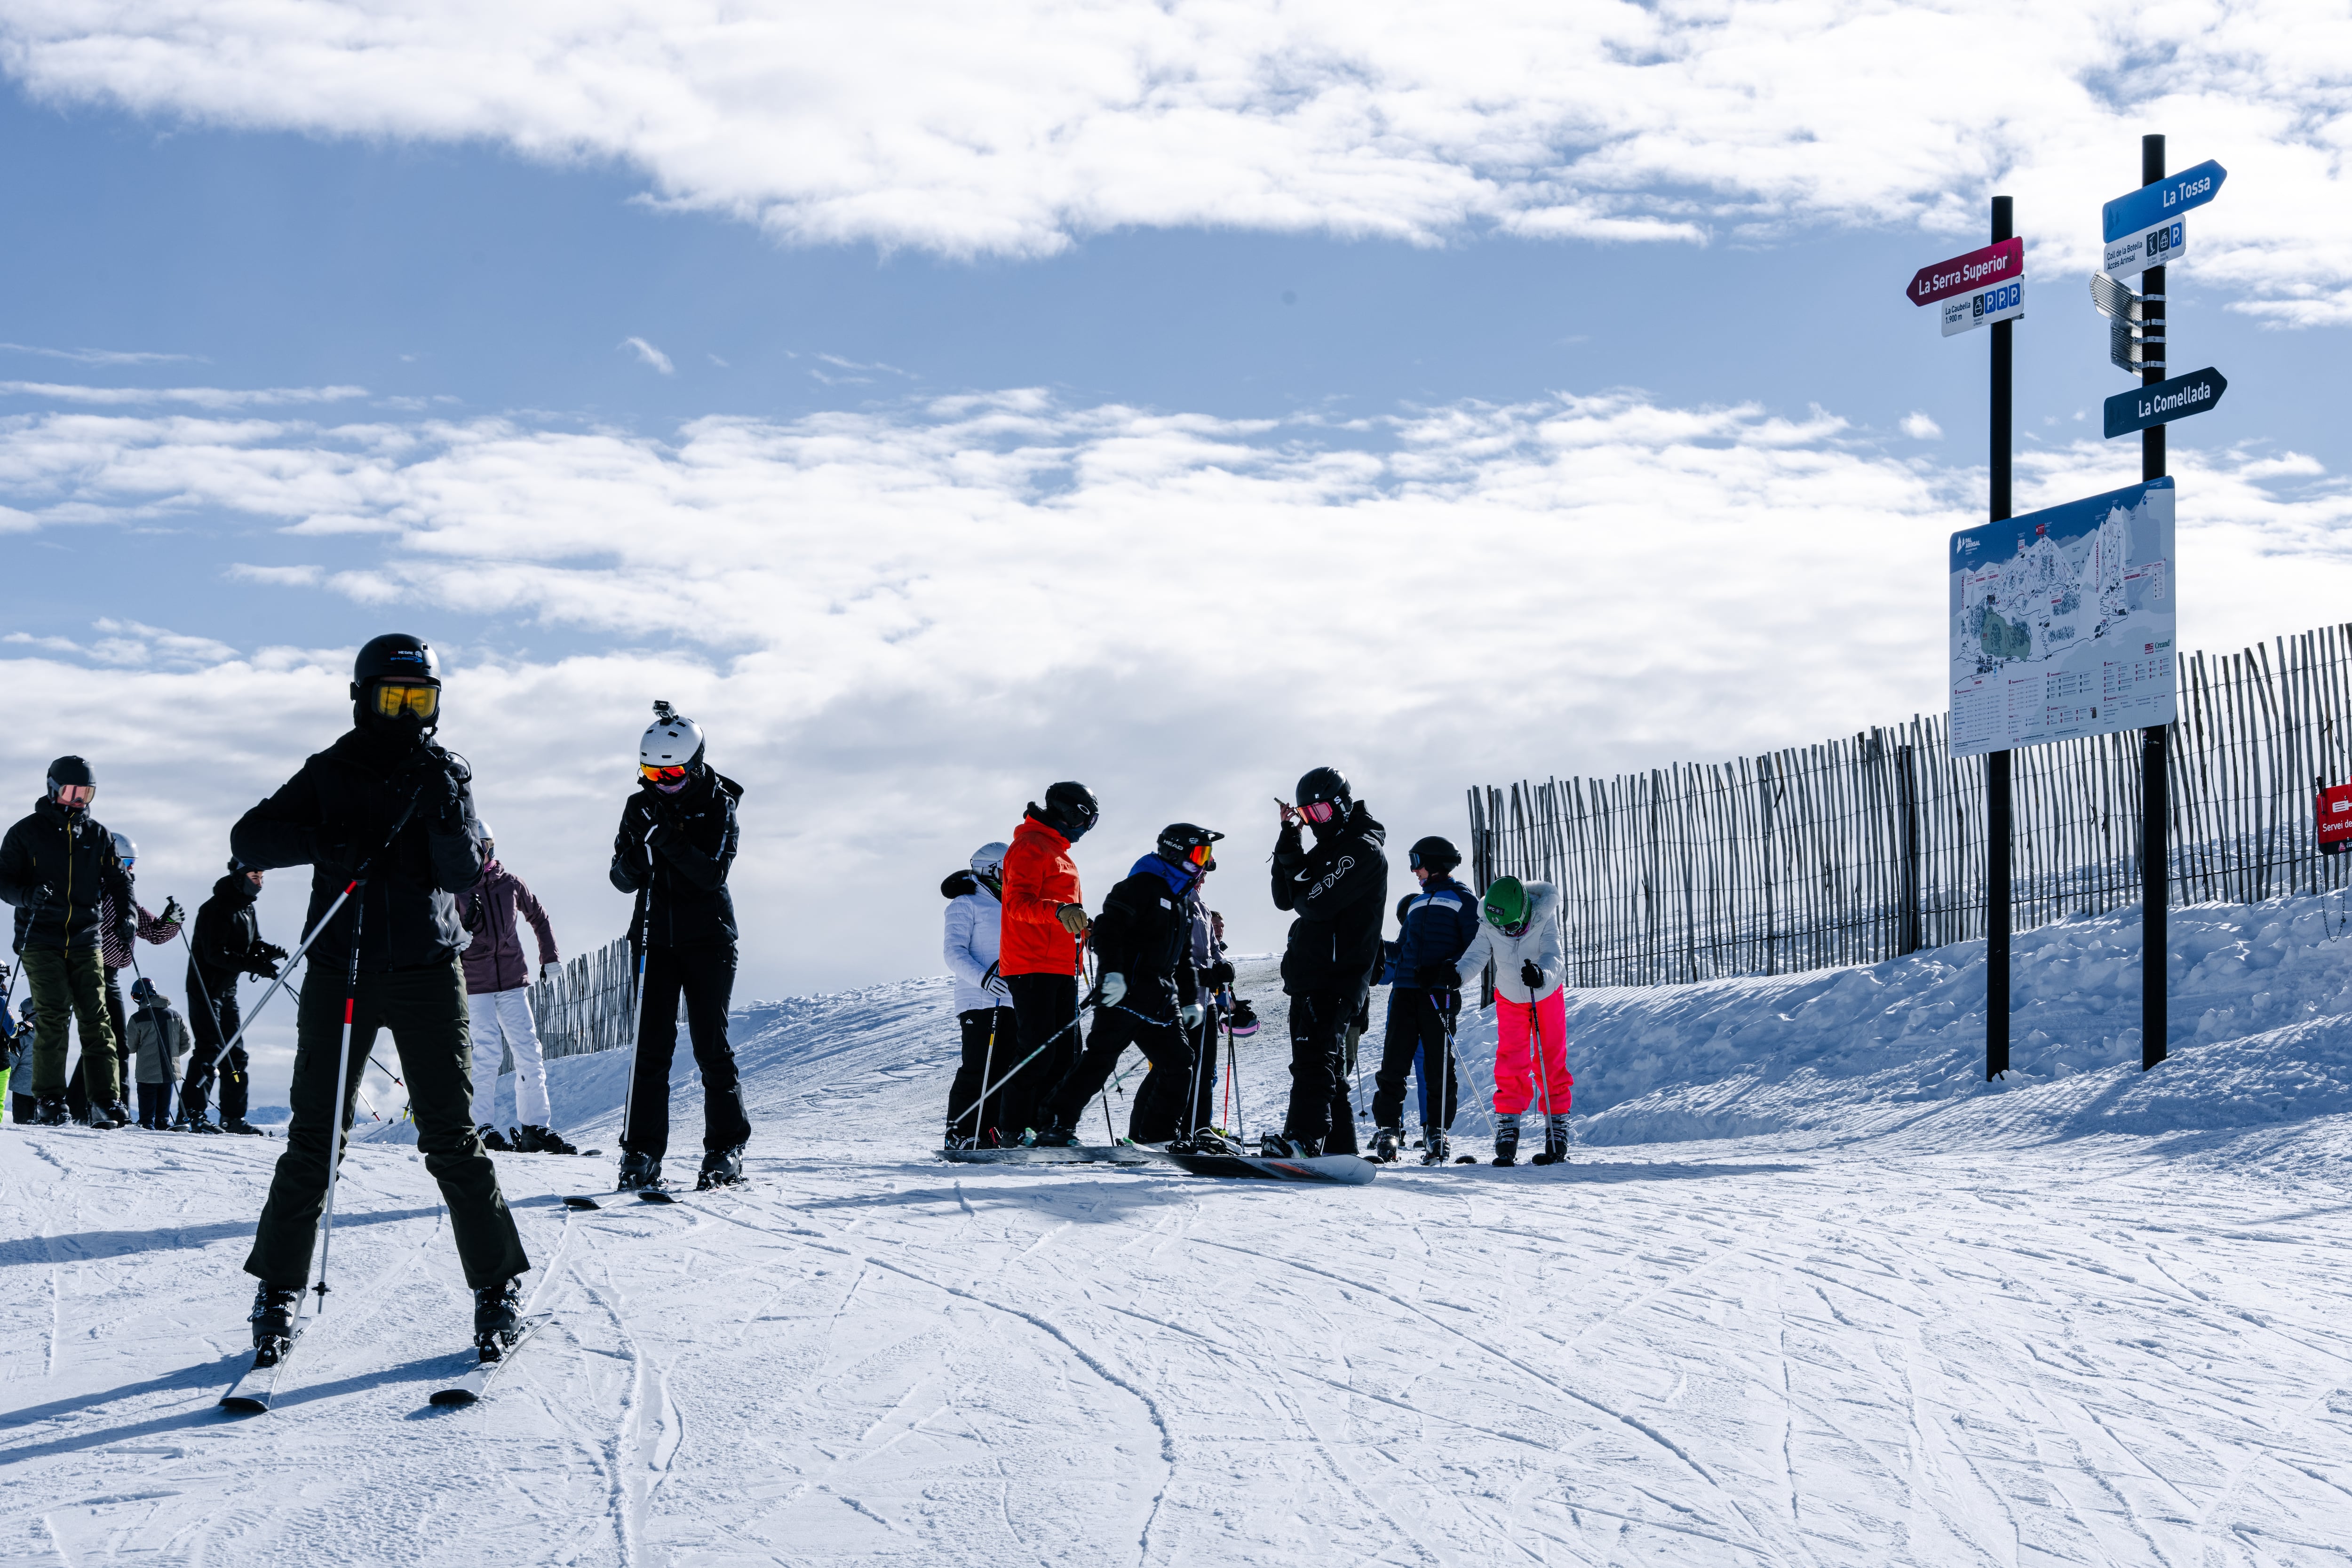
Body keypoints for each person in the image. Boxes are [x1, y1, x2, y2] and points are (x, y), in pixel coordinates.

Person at [230, 632, 530, 1362]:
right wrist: (326, 842)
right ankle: (278, 1289)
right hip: (343, 968)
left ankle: (496, 1288)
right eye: (392, 698)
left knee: (452, 1136)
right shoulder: (330, 770)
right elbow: (250, 838)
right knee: (314, 1135)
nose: (405, 714)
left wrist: (446, 812)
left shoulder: (445, 774)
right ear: (363, 697)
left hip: (428, 969)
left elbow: (461, 875)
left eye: (419, 700)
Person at [608, 700, 749, 1193]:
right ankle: (641, 1151)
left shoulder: (718, 804)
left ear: (694, 764)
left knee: (711, 1046)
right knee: (650, 1051)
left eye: (670, 773)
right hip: (652, 940)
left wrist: (662, 837)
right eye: (650, 772)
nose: (660, 781)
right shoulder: (638, 805)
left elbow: (711, 874)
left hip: (707, 939)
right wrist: (636, 857)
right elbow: (620, 879)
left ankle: (725, 1149)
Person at [1034, 824, 1224, 1147]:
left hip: (1161, 998)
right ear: (1175, 853)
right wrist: (1113, 974)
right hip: (1126, 993)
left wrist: (1192, 999)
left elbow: (1184, 960)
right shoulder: (1141, 886)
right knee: (1100, 1060)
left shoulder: (1180, 902)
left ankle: (1156, 1135)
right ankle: (1055, 1125)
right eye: (1199, 854)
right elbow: (1108, 931)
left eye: (1206, 856)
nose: (1204, 863)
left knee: (1180, 1063)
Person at [0, 757, 135, 1128]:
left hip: (85, 938)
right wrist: (27, 895)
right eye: (73, 792)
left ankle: (105, 1100)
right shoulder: (26, 833)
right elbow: (4, 881)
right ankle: (50, 1097)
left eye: (86, 793)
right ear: (53, 788)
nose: (79, 800)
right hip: (39, 937)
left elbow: (121, 882)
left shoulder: (98, 836)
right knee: (55, 1013)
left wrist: (128, 915)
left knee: (96, 1015)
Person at [1265, 767, 1386, 1158]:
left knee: (1315, 1059)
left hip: (1338, 972)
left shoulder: (1362, 849)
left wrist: (1300, 869)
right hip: (1310, 970)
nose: (1316, 822)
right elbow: (1286, 897)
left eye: (1320, 813)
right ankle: (1340, 1149)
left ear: (1342, 805)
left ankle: (1303, 1137)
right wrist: (1289, 836)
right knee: (1320, 1065)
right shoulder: (1330, 846)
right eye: (1308, 815)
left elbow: (1311, 903)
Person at [461, 822, 571, 1154]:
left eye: (482, 846)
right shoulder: (455, 889)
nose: (478, 853)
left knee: (528, 1051)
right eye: (471, 847)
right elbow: (437, 926)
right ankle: (481, 1128)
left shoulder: (509, 884)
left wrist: (549, 957)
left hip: (511, 981)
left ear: (491, 847)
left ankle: (536, 1126)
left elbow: (538, 916)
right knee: (487, 1054)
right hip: (475, 985)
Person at [1370, 836, 1480, 1164]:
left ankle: (1436, 1130)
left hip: (1438, 993)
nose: (1414, 870)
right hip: (1405, 990)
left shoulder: (1463, 899)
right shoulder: (1418, 903)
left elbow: (1475, 945)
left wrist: (1447, 970)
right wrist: (1376, 945)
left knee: (1438, 1065)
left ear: (1435, 864)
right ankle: (1389, 1127)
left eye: (1417, 862)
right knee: (1394, 1062)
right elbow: (1403, 948)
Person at [997, 782, 1097, 1140]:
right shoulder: (1028, 847)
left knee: (1067, 1054)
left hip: (1062, 964)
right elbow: (1016, 905)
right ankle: (1012, 1129)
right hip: (1031, 964)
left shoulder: (1057, 850)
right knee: (1038, 1051)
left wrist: (1087, 930)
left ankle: (1051, 1127)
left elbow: (1066, 912)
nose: (1086, 831)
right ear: (1072, 814)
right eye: (1088, 822)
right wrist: (1061, 911)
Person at [1456, 875, 1573, 1166]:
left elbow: (1554, 955)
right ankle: (1508, 1126)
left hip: (1544, 993)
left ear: (1525, 912)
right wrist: (1456, 975)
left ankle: (1556, 1128)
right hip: (1509, 996)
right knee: (1511, 1058)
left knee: (1550, 1057)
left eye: (1512, 927)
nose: (1506, 933)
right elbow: (1477, 954)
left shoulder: (1544, 916)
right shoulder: (1490, 922)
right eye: (1501, 928)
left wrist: (1542, 973)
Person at [77, 831, 184, 1123]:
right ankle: (111, 1103)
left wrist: (172, 919)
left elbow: (155, 933)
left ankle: (85, 1105)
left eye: (133, 864)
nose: (130, 870)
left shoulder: (128, 900)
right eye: (125, 862)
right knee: (108, 1040)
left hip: (109, 976)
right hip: (87, 970)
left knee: (105, 1040)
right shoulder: (92, 893)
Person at [181, 860, 286, 1135]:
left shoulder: (247, 908)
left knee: (236, 1055)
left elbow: (253, 944)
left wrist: (267, 952)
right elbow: (216, 954)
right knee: (210, 1051)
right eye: (255, 876)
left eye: (262, 877)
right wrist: (254, 965)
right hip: (206, 988)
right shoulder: (215, 908)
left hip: (228, 991)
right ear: (239, 877)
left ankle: (232, 1117)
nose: (260, 883)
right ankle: (191, 1114)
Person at [941, 841, 1014, 1147]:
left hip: (1010, 998)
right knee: (978, 1067)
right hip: (979, 999)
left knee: (1006, 1069)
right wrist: (984, 979)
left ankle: (991, 1132)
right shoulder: (965, 903)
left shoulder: (1010, 904)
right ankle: (959, 1133)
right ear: (989, 869)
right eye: (1005, 868)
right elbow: (953, 953)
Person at [125, 976, 194, 1130]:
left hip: (147, 1073)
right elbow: (187, 1043)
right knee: (163, 1114)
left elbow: (129, 1047)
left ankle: (147, 1123)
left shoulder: (137, 1018)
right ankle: (163, 1122)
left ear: (137, 996)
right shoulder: (176, 1016)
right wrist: (172, 1055)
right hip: (170, 1071)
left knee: (146, 1117)